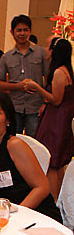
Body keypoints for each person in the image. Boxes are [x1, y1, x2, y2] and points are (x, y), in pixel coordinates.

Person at [0, 91, 62, 223]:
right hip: (0, 216)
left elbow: (42, 188)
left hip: (34, 214)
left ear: (8, 119)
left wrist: (14, 216)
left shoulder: (15, 146)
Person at [24, 38, 74, 200]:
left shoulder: (59, 72)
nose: (45, 50)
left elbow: (56, 99)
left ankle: (52, 199)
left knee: (52, 161)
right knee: (58, 163)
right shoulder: (67, 70)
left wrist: (36, 87)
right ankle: (58, 198)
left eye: (48, 47)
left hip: (56, 120)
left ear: (54, 51)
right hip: (62, 118)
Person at [0, 14, 47, 136]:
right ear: (12, 32)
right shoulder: (6, 57)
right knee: (13, 139)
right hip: (14, 107)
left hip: (36, 107)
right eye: (19, 30)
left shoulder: (41, 52)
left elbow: (49, 78)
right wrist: (18, 86)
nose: (22, 33)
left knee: (34, 141)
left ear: (30, 31)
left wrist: (45, 103)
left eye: (25, 30)